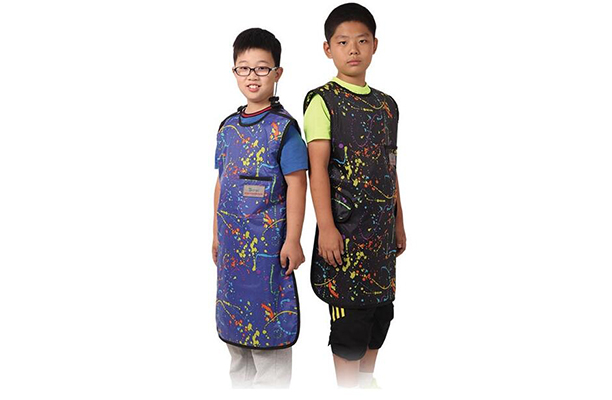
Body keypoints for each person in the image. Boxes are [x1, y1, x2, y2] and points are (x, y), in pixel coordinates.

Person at [303, 3, 407, 389]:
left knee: (380, 317)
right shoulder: (322, 100)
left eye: (361, 41)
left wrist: (399, 222)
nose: (353, 50)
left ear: (374, 45)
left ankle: (365, 386)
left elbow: (390, 168)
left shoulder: (387, 105)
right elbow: (317, 169)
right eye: (343, 42)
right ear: (328, 48)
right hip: (345, 235)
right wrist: (327, 227)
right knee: (350, 326)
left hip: (380, 236)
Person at [213, 27, 308, 389]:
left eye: (262, 68)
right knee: (236, 342)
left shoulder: (284, 130)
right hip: (233, 253)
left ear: (277, 72)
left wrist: (293, 240)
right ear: (234, 71)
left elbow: (297, 185)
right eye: (244, 68)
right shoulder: (227, 128)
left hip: (269, 253)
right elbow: (221, 183)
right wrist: (215, 235)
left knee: (269, 341)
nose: (252, 76)